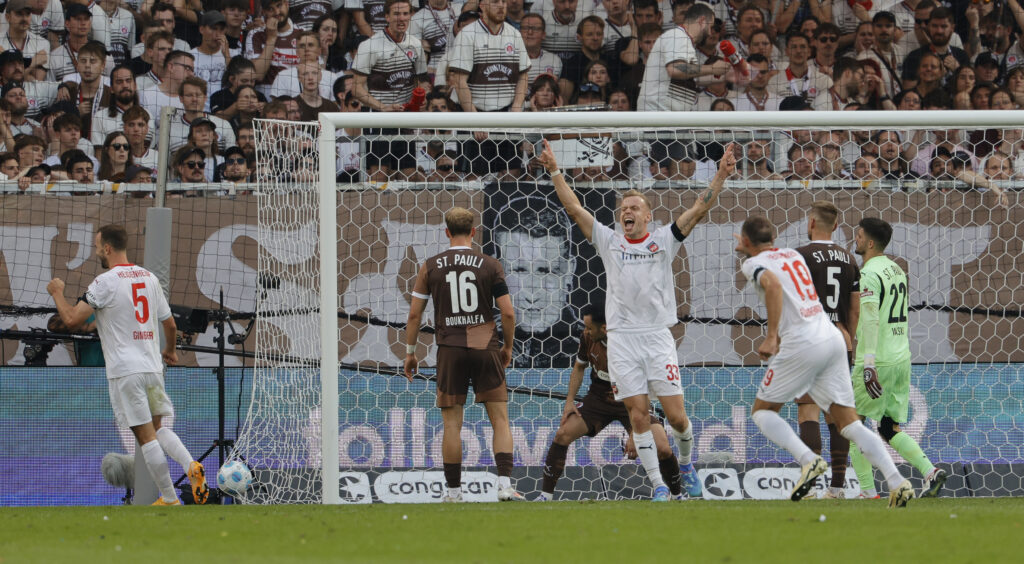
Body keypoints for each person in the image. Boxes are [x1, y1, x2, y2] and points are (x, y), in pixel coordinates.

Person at [539, 138, 739, 501]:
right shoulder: (609, 241)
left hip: (657, 337)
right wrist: (554, 170)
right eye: (623, 208)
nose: (627, 211)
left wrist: (721, 176)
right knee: (639, 415)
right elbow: (574, 208)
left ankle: (687, 463)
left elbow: (697, 210)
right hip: (622, 340)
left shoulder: (664, 239)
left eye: (634, 207)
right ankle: (659, 486)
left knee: (677, 418)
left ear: (648, 215)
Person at [734, 216, 914, 507]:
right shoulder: (791, 254)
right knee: (848, 422)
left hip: (802, 342)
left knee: (762, 412)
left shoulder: (752, 264)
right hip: (833, 337)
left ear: (744, 242)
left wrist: (771, 337)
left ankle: (808, 461)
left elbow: (774, 287)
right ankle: (897, 481)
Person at [46, 224, 209, 506]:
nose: (96, 250)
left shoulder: (104, 282)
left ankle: (170, 499)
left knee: (146, 438)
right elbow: (169, 323)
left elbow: (71, 319)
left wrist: (57, 292)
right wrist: (169, 351)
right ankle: (190, 464)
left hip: (126, 372)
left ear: (107, 248)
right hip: (152, 369)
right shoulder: (149, 277)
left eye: (97, 245)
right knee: (159, 429)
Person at [403, 207, 525, 502]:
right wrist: (507, 347)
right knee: (500, 421)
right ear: (474, 231)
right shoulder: (490, 264)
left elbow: (414, 315)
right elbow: (507, 312)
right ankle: (505, 486)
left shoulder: (431, 266)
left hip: (450, 350)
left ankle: (454, 493)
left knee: (452, 425)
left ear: (446, 232)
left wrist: (411, 352)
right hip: (486, 347)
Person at [537, 298, 684, 501]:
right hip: (598, 398)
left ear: (605, 328)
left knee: (663, 448)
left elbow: (645, 385)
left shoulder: (630, 343)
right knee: (562, 433)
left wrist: (636, 432)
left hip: (632, 399)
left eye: (589, 328)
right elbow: (579, 367)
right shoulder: (587, 338)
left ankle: (677, 496)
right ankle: (545, 496)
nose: (586, 331)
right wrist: (569, 402)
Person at [849, 217, 948, 499]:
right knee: (887, 427)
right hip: (900, 357)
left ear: (869, 242)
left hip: (877, 359)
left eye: (858, 235)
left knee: (852, 425)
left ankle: (868, 493)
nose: (855, 239)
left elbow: (869, 320)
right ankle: (930, 472)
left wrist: (867, 364)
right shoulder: (896, 269)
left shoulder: (868, 273)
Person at [790, 201, 861, 499]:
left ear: (810, 223)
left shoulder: (800, 256)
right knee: (837, 416)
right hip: (840, 340)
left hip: (809, 340)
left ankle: (808, 486)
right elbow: (855, 307)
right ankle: (837, 488)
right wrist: (849, 338)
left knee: (808, 409)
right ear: (835, 226)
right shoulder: (848, 258)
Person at [488, 196, 576, 368]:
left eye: (546, 271)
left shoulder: (586, 346)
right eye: (519, 271)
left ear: (569, 271)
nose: (532, 295)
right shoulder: (484, 341)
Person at [637, 3, 731, 112]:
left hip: (668, 118)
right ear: (702, 21)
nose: (710, 33)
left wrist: (728, 76)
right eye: (710, 27)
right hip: (658, 118)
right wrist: (712, 68)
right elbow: (675, 69)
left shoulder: (685, 41)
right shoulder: (678, 36)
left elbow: (690, 78)